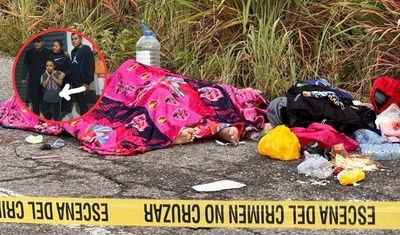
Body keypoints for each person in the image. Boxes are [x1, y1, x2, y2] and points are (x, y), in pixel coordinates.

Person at [63, 60, 270, 156]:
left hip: (139, 80)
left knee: (184, 86)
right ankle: (199, 130)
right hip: (137, 95)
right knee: (159, 94)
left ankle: (222, 117)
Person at [21, 36, 52, 116]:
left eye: (38, 42)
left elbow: (56, 61)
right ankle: (36, 119)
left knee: (46, 101)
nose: (36, 43)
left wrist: (65, 54)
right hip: (33, 82)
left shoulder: (48, 53)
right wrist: (23, 77)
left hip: (45, 82)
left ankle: (46, 119)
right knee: (35, 102)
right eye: (35, 42)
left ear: (43, 42)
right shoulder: (29, 53)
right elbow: (25, 65)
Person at [69, 33, 95, 115]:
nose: (73, 41)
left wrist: (87, 83)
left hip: (82, 82)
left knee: (83, 104)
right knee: (80, 103)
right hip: (74, 82)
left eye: (75, 39)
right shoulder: (73, 52)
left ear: (81, 39)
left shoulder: (86, 50)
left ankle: (86, 121)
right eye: (72, 39)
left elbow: (91, 67)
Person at [49, 39, 72, 119]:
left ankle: (68, 111)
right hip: (55, 81)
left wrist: (64, 74)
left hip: (65, 81)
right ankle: (59, 112)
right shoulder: (50, 56)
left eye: (56, 46)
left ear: (61, 47)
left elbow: (70, 68)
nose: (54, 48)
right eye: (53, 46)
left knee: (66, 97)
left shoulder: (65, 56)